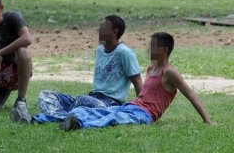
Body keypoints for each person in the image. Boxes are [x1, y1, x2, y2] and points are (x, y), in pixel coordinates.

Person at [60, 32, 213, 131]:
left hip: (145, 114)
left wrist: (207, 120)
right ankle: (70, 118)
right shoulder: (151, 68)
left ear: (164, 50)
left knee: (113, 119)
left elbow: (191, 95)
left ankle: (78, 125)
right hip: (132, 106)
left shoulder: (169, 72)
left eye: (153, 46)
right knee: (102, 111)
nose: (148, 49)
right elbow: (144, 94)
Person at [29, 15, 143, 124]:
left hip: (109, 104)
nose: (99, 30)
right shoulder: (99, 50)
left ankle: (49, 117)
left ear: (115, 31)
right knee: (46, 95)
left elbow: (137, 81)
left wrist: (142, 109)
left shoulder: (125, 53)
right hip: (92, 98)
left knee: (83, 100)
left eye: (103, 28)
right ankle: (66, 117)